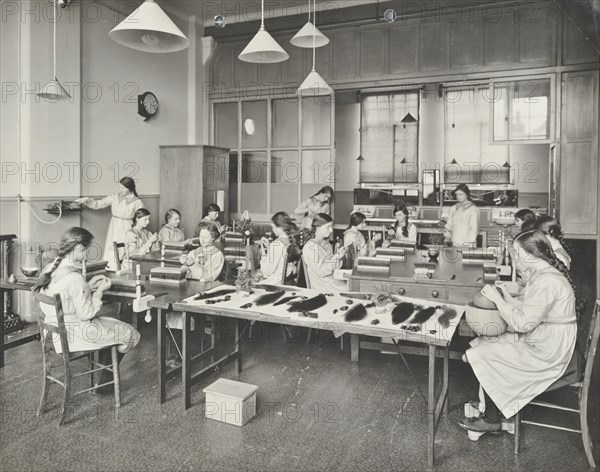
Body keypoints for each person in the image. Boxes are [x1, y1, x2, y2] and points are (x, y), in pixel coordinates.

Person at [459, 230, 582, 434]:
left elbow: (522, 324)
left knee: (484, 352)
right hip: (546, 339)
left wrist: (498, 300)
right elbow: (529, 310)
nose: (515, 258)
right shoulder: (543, 275)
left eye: (517, 253)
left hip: (550, 351)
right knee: (484, 343)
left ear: (532, 254)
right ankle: (493, 404)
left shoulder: (547, 281)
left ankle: (492, 418)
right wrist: (505, 296)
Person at [33, 227, 140, 392]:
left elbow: (66, 296)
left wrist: (88, 286)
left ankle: (106, 377)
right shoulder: (75, 278)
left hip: (52, 333)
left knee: (112, 326)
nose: (85, 256)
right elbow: (87, 313)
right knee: (129, 333)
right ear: (79, 248)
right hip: (73, 334)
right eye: (85, 251)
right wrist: (99, 291)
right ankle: (106, 379)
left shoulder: (49, 269)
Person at [75, 177, 145, 270]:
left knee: (124, 249)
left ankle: (123, 270)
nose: (121, 190)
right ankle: (110, 269)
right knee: (111, 248)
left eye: (123, 188)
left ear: (130, 188)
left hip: (127, 227)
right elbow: (99, 203)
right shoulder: (115, 197)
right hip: (114, 226)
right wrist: (87, 200)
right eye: (119, 187)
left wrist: (135, 231)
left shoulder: (137, 202)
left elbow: (142, 218)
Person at [302, 213, 347, 293]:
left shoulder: (324, 242)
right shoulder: (310, 247)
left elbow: (333, 267)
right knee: (356, 288)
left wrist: (340, 256)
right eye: (328, 227)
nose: (331, 230)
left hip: (332, 283)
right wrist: (336, 257)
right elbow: (321, 271)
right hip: (324, 288)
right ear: (317, 227)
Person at [256, 212, 300, 285]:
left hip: (277, 283)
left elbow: (266, 271)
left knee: (253, 275)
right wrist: (269, 247)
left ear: (278, 227)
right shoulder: (292, 240)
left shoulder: (276, 244)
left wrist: (263, 252)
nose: (273, 230)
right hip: (290, 280)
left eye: (273, 226)